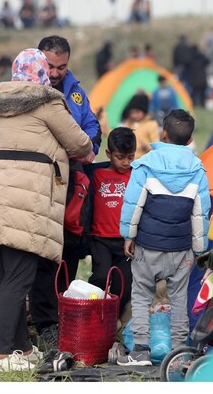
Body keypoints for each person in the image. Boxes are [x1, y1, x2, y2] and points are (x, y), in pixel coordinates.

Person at [0, 48, 92, 371]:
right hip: (22, 202)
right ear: (42, 74)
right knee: (19, 282)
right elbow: (79, 144)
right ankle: (2, 355)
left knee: (10, 281)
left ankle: (23, 348)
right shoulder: (46, 102)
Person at [118, 109, 211, 366]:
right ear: (190, 140)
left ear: (163, 133)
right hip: (181, 249)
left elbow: (132, 204)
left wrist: (128, 235)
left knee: (141, 295)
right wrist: (199, 247)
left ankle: (140, 351)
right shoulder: (198, 170)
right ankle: (180, 354)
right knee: (179, 299)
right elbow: (201, 212)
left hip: (147, 246)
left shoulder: (146, 165)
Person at [31, 36, 101, 343]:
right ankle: (44, 322)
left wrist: (89, 147)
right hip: (41, 180)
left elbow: (92, 127)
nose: (56, 72)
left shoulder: (75, 92)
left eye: (62, 66)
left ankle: (64, 313)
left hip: (74, 181)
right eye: (50, 66)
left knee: (71, 246)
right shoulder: (28, 91)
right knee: (43, 249)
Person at [88, 127, 136, 317]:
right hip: (100, 239)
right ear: (108, 154)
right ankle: (92, 312)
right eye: (120, 157)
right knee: (100, 277)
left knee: (123, 284)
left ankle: (111, 320)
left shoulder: (136, 176)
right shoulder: (96, 175)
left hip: (125, 241)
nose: (125, 162)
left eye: (130, 157)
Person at [122, 92, 159, 159]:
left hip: (146, 160)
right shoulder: (128, 124)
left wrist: (147, 147)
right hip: (130, 160)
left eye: (137, 112)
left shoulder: (151, 124)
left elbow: (156, 146)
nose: (134, 115)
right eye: (132, 113)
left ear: (144, 111)